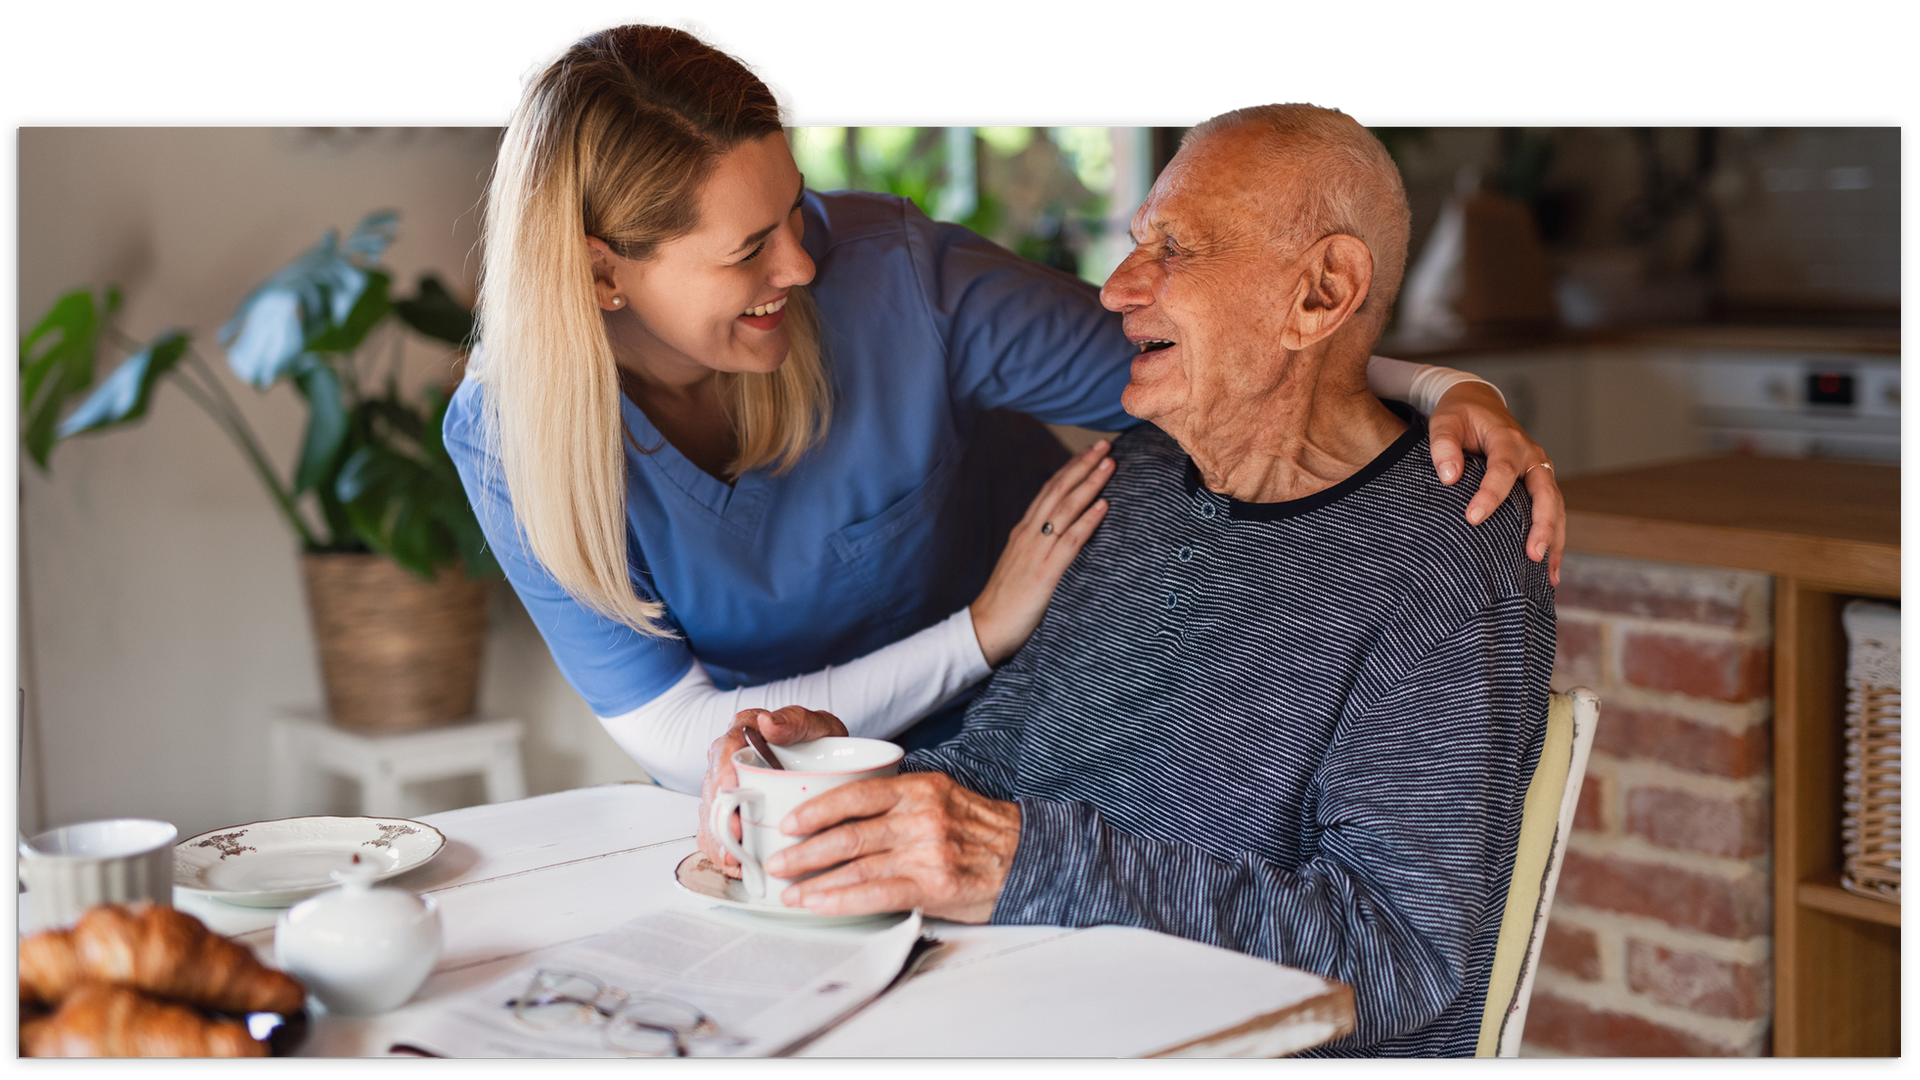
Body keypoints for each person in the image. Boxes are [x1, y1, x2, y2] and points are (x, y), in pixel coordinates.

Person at [446, 19, 1565, 796]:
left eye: (797, 206)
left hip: (1050, 748)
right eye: (749, 248)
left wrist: (1444, 387)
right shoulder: (511, 439)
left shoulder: (893, 281)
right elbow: (689, 743)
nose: (802, 256)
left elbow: (1215, 356)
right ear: (602, 274)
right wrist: (981, 628)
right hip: (804, 787)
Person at [700, 103, 1555, 1057]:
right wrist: (844, 778)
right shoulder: (1136, 473)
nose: (1114, 289)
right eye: (1135, 243)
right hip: (1019, 1009)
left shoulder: (1448, 549)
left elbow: (1395, 957)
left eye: (1176, 251)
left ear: (1320, 294)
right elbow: (999, 773)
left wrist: (1022, 863)